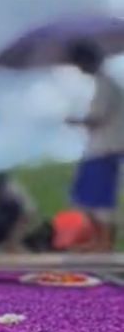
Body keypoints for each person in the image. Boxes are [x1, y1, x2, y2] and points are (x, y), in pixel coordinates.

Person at [65, 40, 124, 251]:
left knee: (101, 199)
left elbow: (97, 117)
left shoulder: (106, 85)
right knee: (87, 196)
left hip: (105, 149)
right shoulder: (104, 84)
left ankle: (104, 242)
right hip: (100, 148)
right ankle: (99, 240)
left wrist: (76, 121)